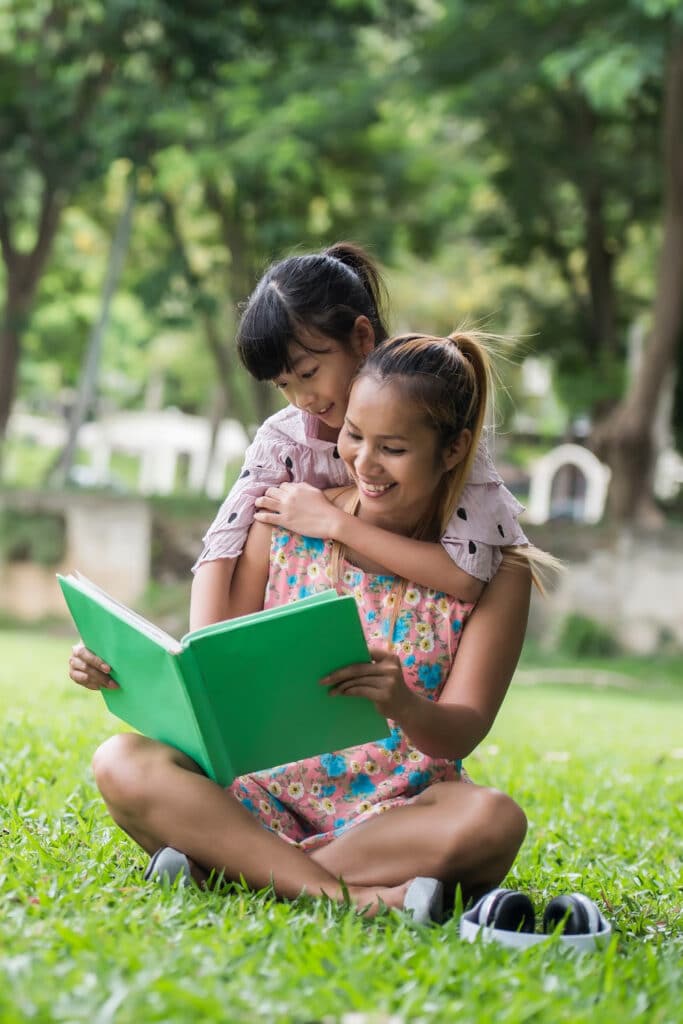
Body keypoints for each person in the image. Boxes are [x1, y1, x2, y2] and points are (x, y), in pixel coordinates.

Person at [70, 331, 546, 920]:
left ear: (453, 450)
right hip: (257, 794)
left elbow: (462, 732)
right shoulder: (289, 517)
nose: (365, 463)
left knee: (495, 820)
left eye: (393, 448)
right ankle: (353, 898)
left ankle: (225, 868)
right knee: (120, 762)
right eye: (354, 435)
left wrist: (405, 701)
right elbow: (217, 667)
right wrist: (124, 668)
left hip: (394, 814)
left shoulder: (499, 573)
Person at [189, 242, 528, 631]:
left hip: (414, 626)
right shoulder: (285, 441)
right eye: (284, 383)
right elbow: (223, 544)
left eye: (309, 373)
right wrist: (202, 645)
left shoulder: (431, 418)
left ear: (362, 337)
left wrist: (333, 522)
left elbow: (466, 574)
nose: (303, 399)